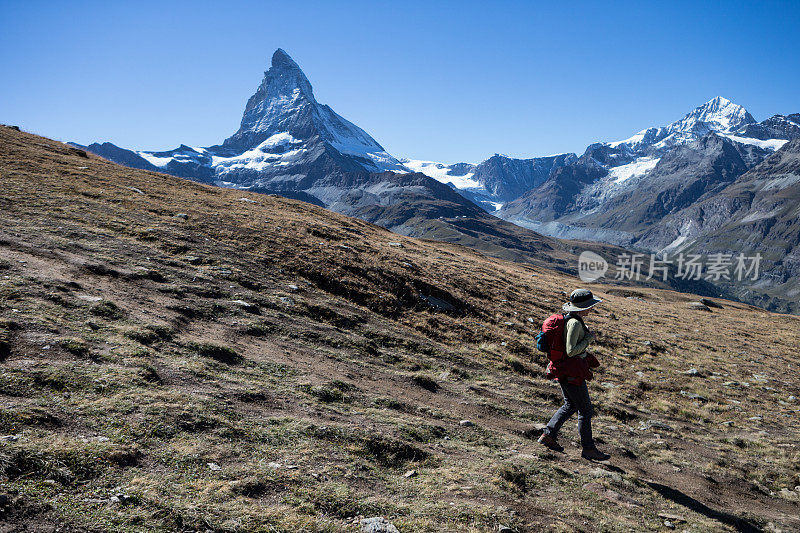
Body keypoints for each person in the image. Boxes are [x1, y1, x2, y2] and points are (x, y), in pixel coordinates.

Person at [538, 288, 610, 461]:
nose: (592, 309)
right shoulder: (575, 323)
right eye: (590, 306)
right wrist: (588, 339)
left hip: (562, 367)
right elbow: (571, 351)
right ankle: (588, 448)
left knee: (570, 405)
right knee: (585, 409)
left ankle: (548, 435)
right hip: (571, 370)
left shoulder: (570, 319)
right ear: (584, 307)